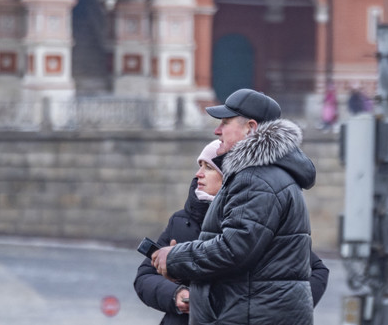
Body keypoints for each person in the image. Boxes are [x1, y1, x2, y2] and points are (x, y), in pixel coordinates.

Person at [152, 88, 317, 325]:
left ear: (250, 128)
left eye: (225, 122)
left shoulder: (256, 178)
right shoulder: (269, 174)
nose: (216, 130)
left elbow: (234, 249)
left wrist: (175, 258)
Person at [134, 139, 329, 324]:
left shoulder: (255, 219)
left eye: (209, 167)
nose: (198, 174)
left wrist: (275, 311)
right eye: (200, 166)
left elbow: (315, 272)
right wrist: (176, 294)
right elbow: (144, 277)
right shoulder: (181, 220)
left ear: (229, 178)